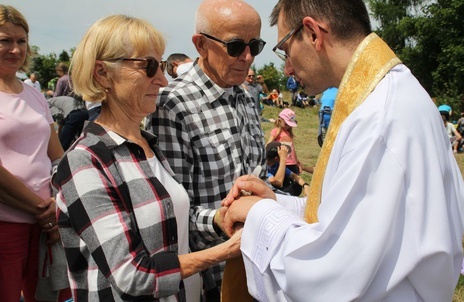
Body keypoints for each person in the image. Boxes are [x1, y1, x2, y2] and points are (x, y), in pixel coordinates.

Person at [221, 0, 464, 301]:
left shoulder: (378, 117)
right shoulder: (394, 93)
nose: (286, 67)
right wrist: (277, 202)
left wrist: (259, 214)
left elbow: (329, 273)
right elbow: (351, 217)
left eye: (285, 49)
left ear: (312, 33)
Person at [52, 14, 242, 301]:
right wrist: (224, 251)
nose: (163, 79)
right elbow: (132, 275)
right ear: (102, 73)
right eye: (149, 66)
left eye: (162, 65)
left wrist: (218, 219)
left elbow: (169, 225)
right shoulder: (84, 161)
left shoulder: (146, 145)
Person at [147, 0, 266, 299]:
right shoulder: (172, 105)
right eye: (236, 46)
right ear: (201, 45)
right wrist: (222, 219)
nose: (248, 57)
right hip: (209, 277)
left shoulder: (245, 96)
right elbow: (174, 213)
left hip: (257, 265)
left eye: (256, 45)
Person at [0, 5, 68, 302]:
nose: (15, 49)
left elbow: (57, 154)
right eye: (5, 40)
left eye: (21, 41)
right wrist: (42, 210)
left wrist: (58, 206)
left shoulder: (34, 92)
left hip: (45, 226)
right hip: (7, 223)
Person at [266, 108, 303, 196]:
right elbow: (269, 143)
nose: (287, 126)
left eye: (289, 125)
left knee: (295, 183)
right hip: (282, 162)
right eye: (286, 124)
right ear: (280, 120)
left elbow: (292, 148)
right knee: (283, 183)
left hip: (291, 163)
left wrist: (297, 161)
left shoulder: (289, 133)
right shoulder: (276, 131)